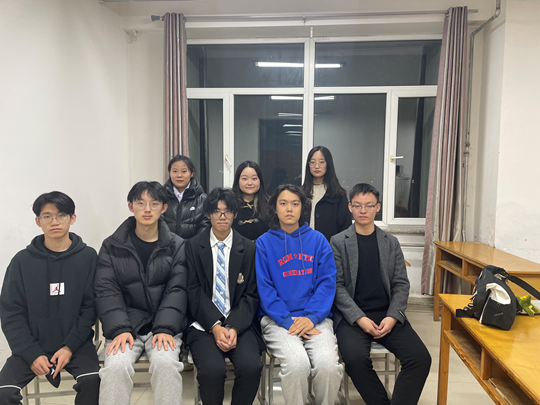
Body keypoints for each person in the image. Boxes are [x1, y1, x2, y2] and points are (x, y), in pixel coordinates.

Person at [330, 183, 431, 405]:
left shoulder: (390, 242)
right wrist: (360, 318)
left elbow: (401, 284)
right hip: (353, 317)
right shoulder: (338, 242)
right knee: (355, 359)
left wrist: (393, 316)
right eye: (358, 205)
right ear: (350, 207)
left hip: (387, 314)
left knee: (420, 358)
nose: (363, 211)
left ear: (378, 207)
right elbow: (337, 287)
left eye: (369, 205)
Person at [0, 192, 100, 405]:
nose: (55, 222)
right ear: (38, 221)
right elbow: (11, 313)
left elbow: (90, 308)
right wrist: (31, 353)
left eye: (61, 215)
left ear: (72, 218)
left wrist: (69, 347)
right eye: (47, 216)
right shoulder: (21, 261)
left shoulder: (88, 257)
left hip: (76, 345)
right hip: (32, 345)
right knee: (3, 392)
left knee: (93, 380)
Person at [95, 181, 186, 405]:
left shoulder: (177, 245)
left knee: (166, 365)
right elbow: (107, 290)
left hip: (164, 327)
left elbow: (178, 289)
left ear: (164, 208)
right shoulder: (111, 246)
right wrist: (120, 329)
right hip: (126, 326)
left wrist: (164, 328)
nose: (147, 209)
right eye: (140, 203)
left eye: (154, 203)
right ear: (130, 206)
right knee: (115, 368)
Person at [256, 184, 343, 405]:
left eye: (295, 204)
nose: (289, 209)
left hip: (316, 318)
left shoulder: (318, 241)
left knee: (328, 366)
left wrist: (311, 317)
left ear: (302, 208)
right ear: (275, 208)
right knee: (297, 365)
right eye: (283, 203)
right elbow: (265, 288)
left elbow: (326, 283)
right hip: (278, 320)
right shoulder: (263, 244)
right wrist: (288, 320)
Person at [185, 188, 264, 405]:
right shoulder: (193, 246)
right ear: (208, 214)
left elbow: (251, 293)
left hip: (239, 322)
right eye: (217, 211)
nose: (222, 216)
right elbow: (192, 290)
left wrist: (233, 327)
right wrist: (215, 326)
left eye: (227, 211)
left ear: (235, 214)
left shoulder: (248, 248)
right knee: (212, 371)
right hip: (204, 324)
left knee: (251, 367)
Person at [302, 146, 351, 241]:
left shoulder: (338, 195)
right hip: (302, 246)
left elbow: (345, 229)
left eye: (321, 162)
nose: (317, 166)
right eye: (312, 162)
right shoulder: (300, 194)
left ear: (328, 164)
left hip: (328, 247)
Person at [163, 155, 210, 240]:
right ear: (170, 173)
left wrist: (192, 245)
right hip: (166, 246)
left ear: (191, 173)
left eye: (184, 171)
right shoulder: (161, 197)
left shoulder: (202, 199)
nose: (179, 175)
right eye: (175, 171)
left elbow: (205, 226)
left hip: (193, 246)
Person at [231, 161, 270, 241]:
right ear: (238, 180)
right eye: (244, 179)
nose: (249, 183)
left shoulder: (269, 204)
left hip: (262, 248)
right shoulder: (230, 204)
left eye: (254, 178)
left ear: (260, 180)